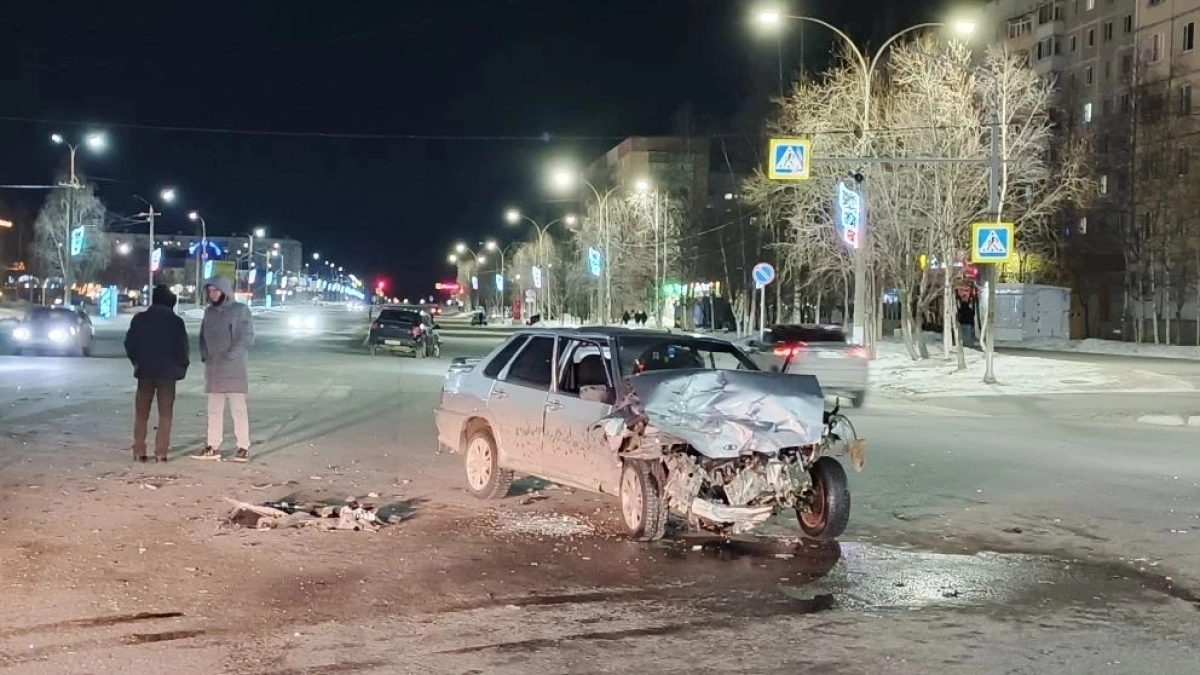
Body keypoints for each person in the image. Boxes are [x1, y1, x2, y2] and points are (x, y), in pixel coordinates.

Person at [124, 285, 189, 463]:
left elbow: (130, 344)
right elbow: (182, 349)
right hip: (168, 374)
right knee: (165, 414)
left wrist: (137, 361)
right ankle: (161, 452)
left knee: (141, 413)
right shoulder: (176, 322)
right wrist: (181, 368)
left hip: (145, 372)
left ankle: (139, 450)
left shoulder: (140, 319)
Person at [194, 276, 255, 462]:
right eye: (210, 290)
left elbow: (246, 337)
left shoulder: (240, 310)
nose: (212, 294)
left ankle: (243, 446)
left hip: (233, 369)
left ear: (225, 291)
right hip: (213, 369)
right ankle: (213, 445)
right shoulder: (209, 313)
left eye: (216, 290)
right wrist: (205, 354)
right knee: (214, 410)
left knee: (238, 409)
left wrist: (231, 356)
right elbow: (202, 336)